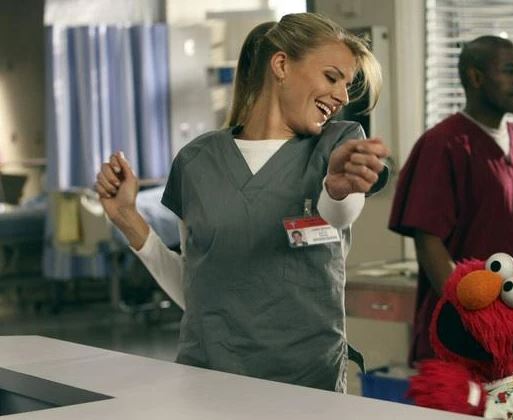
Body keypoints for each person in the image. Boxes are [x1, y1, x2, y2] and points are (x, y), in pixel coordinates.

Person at [95, 13, 389, 393]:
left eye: (347, 85)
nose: (343, 97)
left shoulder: (337, 144)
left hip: (308, 385)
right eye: (332, 77)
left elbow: (338, 215)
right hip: (209, 378)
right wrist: (126, 217)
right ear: (281, 64)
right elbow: (197, 291)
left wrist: (336, 189)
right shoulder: (197, 160)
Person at [388, 36, 513, 419]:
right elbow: (429, 243)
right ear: (475, 77)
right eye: (510, 71)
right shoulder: (443, 145)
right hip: (472, 339)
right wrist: (475, 323)